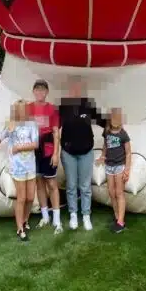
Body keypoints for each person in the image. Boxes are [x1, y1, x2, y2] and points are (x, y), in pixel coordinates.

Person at [0, 100, 38, 242]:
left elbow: (35, 144)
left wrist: (19, 148)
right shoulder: (11, 125)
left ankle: (25, 219)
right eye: (19, 110)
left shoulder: (32, 124)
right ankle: (20, 227)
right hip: (17, 166)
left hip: (30, 165)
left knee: (31, 197)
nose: (22, 112)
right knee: (22, 198)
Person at [59, 78, 104, 232]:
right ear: (69, 91)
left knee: (85, 186)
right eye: (73, 89)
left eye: (79, 89)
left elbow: (102, 121)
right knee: (71, 186)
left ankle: (86, 215)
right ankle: (73, 214)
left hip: (86, 151)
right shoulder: (63, 106)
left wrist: (115, 122)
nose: (76, 91)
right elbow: (53, 126)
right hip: (68, 152)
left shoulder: (88, 104)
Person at [28, 80, 61, 233]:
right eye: (37, 89)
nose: (40, 92)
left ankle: (56, 218)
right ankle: (45, 215)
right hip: (32, 150)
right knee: (39, 183)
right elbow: (16, 126)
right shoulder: (27, 108)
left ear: (47, 92)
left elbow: (56, 132)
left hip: (48, 150)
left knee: (52, 184)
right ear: (33, 91)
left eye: (43, 90)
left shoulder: (52, 109)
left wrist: (56, 153)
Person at [97, 107, 132, 233]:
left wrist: (127, 170)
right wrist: (102, 156)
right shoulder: (107, 132)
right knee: (111, 192)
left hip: (119, 166)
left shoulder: (123, 134)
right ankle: (117, 216)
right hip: (109, 166)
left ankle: (121, 222)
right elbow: (105, 146)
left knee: (119, 193)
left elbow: (128, 153)